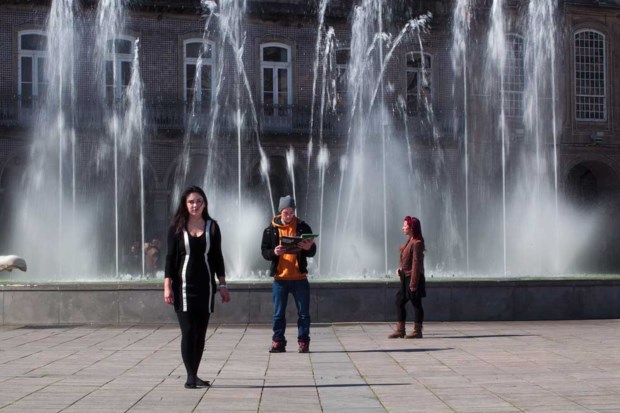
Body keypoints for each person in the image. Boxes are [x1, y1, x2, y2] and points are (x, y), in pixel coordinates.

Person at [164, 186, 231, 388]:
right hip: (182, 287)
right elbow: (170, 259)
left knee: (200, 333)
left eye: (198, 201)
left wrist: (223, 284)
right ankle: (190, 376)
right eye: (191, 202)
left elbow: (217, 257)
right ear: (185, 204)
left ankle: (195, 373)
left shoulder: (212, 227)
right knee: (188, 331)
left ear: (204, 204)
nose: (195, 205)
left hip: (205, 286)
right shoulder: (177, 227)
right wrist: (167, 286)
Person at [261, 195, 316, 353]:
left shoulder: (303, 227)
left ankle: (303, 342)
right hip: (280, 278)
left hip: (300, 278)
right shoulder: (270, 230)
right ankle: (278, 342)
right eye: (286, 212)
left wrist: (309, 248)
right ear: (280, 212)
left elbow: (312, 250)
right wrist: (274, 252)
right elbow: (264, 252)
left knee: (303, 313)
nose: (289, 216)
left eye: (291, 212)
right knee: (278, 314)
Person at [388, 216, 426, 339]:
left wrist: (413, 283)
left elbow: (416, 264)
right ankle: (400, 330)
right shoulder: (410, 240)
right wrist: (401, 270)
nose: (403, 228)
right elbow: (408, 261)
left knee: (416, 303)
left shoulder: (417, 243)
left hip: (413, 278)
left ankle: (417, 331)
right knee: (399, 301)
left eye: (405, 226)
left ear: (412, 228)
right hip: (406, 277)